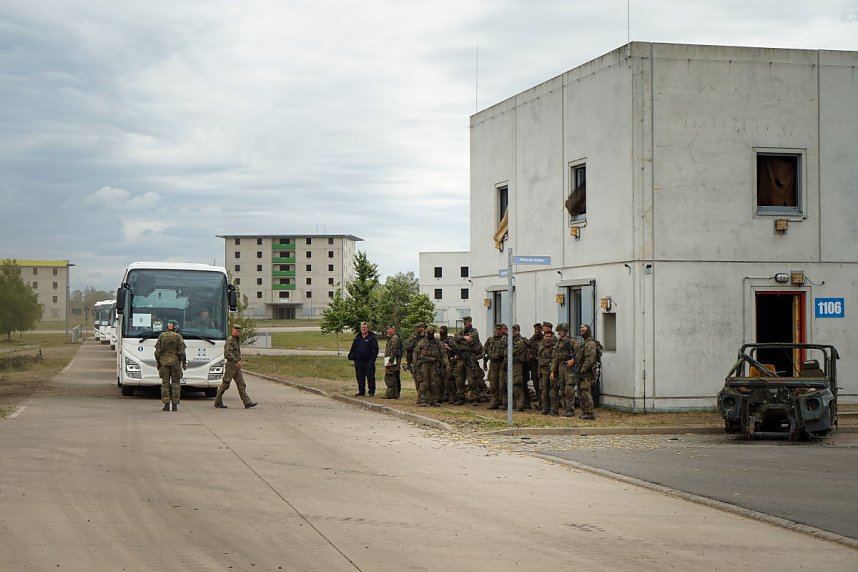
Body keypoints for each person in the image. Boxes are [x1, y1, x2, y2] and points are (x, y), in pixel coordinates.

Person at [214, 324, 258, 409]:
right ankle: (218, 401)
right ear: (232, 330)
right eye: (236, 330)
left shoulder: (236, 340)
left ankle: (247, 402)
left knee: (241, 384)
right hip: (231, 365)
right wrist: (235, 361)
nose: (238, 332)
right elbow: (227, 353)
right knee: (226, 383)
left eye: (239, 331)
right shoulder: (230, 340)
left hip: (236, 365)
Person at [154, 319, 187, 412]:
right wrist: (184, 362)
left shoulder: (161, 336)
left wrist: (158, 361)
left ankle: (166, 404)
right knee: (176, 383)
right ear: (175, 327)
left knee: (165, 383)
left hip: (164, 363)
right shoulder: (178, 337)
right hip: (175, 363)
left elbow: (157, 352)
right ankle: (175, 405)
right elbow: (182, 352)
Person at [413, 325, 449, 407]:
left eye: (431, 332)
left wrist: (446, 364)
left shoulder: (438, 343)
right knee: (424, 382)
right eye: (428, 332)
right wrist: (415, 365)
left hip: (434, 365)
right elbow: (416, 353)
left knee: (434, 383)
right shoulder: (422, 342)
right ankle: (422, 399)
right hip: (424, 365)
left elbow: (443, 354)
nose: (429, 333)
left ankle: (434, 399)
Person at [550, 323, 578, 417]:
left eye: (562, 331)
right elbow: (555, 358)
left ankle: (570, 409)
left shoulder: (572, 341)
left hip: (569, 367)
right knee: (562, 389)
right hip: (560, 366)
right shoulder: (558, 343)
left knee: (569, 389)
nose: (561, 333)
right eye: (559, 331)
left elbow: (579, 354)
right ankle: (566, 408)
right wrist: (553, 371)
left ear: (566, 331)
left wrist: (573, 360)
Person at [347, 322, 379, 396]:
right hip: (359, 361)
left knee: (370, 376)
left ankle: (371, 391)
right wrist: (352, 356)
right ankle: (361, 391)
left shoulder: (371, 338)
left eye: (365, 327)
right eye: (362, 327)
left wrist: (372, 360)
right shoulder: (357, 337)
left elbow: (375, 350)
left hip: (369, 361)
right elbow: (353, 348)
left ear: (367, 328)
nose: (363, 329)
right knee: (360, 377)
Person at [576, 324, 598, 420]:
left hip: (587, 372)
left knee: (586, 391)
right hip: (582, 370)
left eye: (583, 328)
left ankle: (589, 412)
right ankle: (585, 411)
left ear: (588, 330)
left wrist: (583, 369)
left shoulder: (590, 344)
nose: (581, 330)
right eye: (580, 328)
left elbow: (590, 359)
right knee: (582, 392)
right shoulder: (584, 343)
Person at [483, 323, 507, 410]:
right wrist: (485, 362)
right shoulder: (490, 339)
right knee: (493, 384)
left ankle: (504, 402)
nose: (497, 331)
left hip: (502, 363)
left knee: (502, 384)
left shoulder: (506, 340)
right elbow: (485, 350)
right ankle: (494, 402)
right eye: (496, 330)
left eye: (499, 330)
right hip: (493, 364)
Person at [509, 324, 530, 411]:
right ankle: (518, 404)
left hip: (518, 365)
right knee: (514, 385)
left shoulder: (520, 341)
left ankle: (520, 405)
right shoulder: (512, 340)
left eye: (514, 331)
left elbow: (512, 351)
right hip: (513, 364)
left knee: (517, 385)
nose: (512, 333)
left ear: (518, 331)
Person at [405, 323, 426, 401]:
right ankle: (420, 397)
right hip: (416, 363)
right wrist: (409, 363)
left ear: (423, 328)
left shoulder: (427, 338)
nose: (417, 329)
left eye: (418, 328)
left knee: (426, 381)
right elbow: (408, 350)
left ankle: (426, 397)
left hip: (425, 363)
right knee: (418, 380)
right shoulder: (414, 339)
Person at [538, 329, 557, 414]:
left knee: (553, 391)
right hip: (543, 372)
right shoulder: (541, 347)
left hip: (553, 372)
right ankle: (545, 408)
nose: (548, 338)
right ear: (544, 337)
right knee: (544, 391)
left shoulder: (554, 347)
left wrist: (546, 362)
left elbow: (554, 360)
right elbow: (539, 360)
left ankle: (553, 409)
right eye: (546, 336)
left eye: (549, 336)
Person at [438, 325, 457, 403]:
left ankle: (452, 396)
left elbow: (457, 349)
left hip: (449, 362)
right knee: (440, 380)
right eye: (440, 330)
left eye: (442, 330)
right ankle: (443, 396)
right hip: (440, 362)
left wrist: (448, 348)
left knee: (449, 380)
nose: (441, 332)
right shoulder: (438, 341)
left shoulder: (450, 340)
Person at [382, 324, 402, 399]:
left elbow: (394, 350)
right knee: (391, 377)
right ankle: (393, 393)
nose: (388, 331)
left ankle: (393, 394)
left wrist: (390, 361)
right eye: (387, 329)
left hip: (393, 362)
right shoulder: (391, 338)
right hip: (391, 361)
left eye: (389, 329)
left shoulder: (395, 338)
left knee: (392, 377)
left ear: (394, 330)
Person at [528, 322, 544, 409]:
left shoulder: (544, 339)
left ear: (541, 330)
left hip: (541, 365)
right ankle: (539, 401)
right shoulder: (532, 339)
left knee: (542, 385)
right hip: (534, 365)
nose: (536, 330)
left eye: (538, 329)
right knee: (535, 383)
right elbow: (528, 347)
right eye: (535, 329)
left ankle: (543, 403)